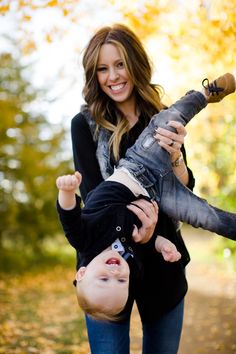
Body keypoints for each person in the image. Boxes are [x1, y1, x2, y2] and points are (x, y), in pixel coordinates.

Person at [69, 23, 235, 353]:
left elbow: (184, 187)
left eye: (120, 65)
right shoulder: (84, 123)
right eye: (102, 68)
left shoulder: (160, 116)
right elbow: (92, 199)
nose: (113, 76)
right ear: (94, 75)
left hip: (163, 267)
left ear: (135, 65)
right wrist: (141, 234)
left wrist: (175, 157)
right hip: (107, 264)